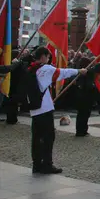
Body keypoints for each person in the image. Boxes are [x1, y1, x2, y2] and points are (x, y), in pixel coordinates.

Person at [28, 46, 86, 174]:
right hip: (44, 108)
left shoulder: (31, 68)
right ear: (43, 56)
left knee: (36, 138)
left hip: (34, 108)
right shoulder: (46, 69)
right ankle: (47, 164)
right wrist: (78, 71)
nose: (49, 60)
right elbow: (63, 73)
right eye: (48, 57)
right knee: (48, 137)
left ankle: (37, 164)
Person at [74, 56, 96, 137]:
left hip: (81, 97)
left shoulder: (80, 72)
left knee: (82, 115)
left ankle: (82, 130)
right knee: (83, 115)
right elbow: (89, 85)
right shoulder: (84, 73)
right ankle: (81, 131)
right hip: (85, 97)